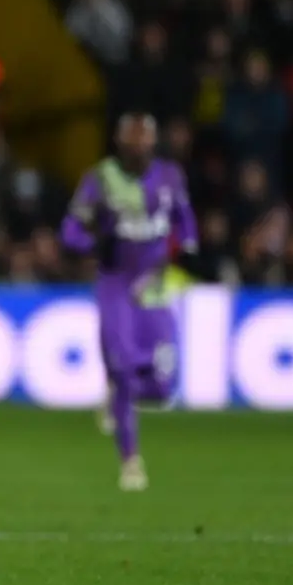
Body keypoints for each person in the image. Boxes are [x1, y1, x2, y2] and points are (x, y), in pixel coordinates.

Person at [60, 113, 197, 492]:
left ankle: (118, 397)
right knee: (121, 367)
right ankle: (131, 460)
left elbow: (184, 219)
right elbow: (70, 230)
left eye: (144, 141)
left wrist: (188, 248)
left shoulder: (170, 176)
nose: (137, 148)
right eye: (131, 141)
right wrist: (88, 245)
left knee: (163, 387)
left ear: (153, 143)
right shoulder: (100, 180)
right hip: (115, 282)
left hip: (154, 284)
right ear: (119, 143)